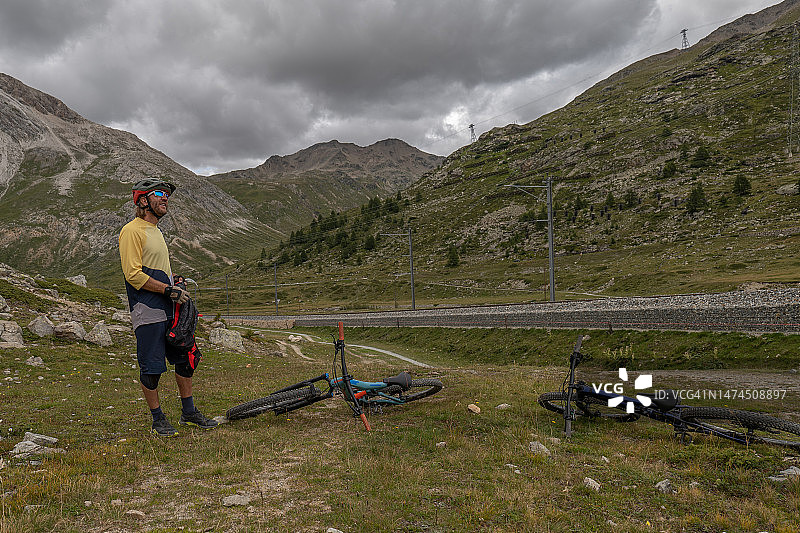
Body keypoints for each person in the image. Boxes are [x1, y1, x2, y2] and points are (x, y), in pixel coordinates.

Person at [119, 177, 218, 437]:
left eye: (167, 195)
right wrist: (167, 289)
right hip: (147, 308)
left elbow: (158, 270)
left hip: (169, 307)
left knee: (185, 359)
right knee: (152, 368)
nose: (165, 198)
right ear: (142, 200)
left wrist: (174, 281)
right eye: (159, 193)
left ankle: (189, 412)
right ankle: (158, 419)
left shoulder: (157, 231)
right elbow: (133, 274)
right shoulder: (132, 230)